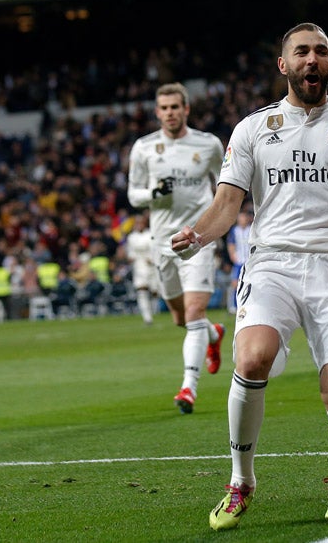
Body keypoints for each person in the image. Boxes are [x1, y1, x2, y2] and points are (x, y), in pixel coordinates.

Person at [170, 22, 328, 531]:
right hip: (272, 263)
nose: (312, 60)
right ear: (283, 65)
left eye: (322, 51)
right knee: (252, 357)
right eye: (302, 52)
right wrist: (198, 235)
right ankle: (240, 481)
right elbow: (227, 204)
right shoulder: (252, 128)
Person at [127, 82, 226, 414]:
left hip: (197, 240)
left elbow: (224, 187)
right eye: (164, 108)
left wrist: (213, 228)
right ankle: (214, 336)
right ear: (157, 112)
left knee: (195, 313)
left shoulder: (209, 144)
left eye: (175, 107)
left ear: (186, 109)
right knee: (181, 319)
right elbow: (133, 195)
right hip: (161, 244)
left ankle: (188, 388)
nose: (170, 113)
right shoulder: (143, 148)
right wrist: (155, 192)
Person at [125, 213, 159, 325]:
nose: (139, 225)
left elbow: (155, 249)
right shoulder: (131, 237)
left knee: (155, 292)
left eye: (141, 222)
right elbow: (130, 252)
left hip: (152, 266)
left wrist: (152, 258)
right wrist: (130, 258)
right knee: (141, 291)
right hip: (139, 267)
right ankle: (147, 317)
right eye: (137, 223)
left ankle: (154, 312)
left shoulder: (150, 234)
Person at [225, 207, 253, 315]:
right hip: (239, 261)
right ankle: (234, 306)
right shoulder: (234, 230)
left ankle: (247, 305)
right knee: (235, 284)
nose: (243, 220)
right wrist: (232, 255)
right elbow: (231, 243)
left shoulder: (251, 229)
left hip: (249, 261)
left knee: (249, 283)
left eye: (244, 217)